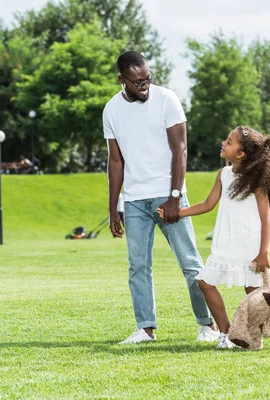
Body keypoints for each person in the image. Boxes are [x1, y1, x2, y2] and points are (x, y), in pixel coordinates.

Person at [104, 50, 218, 344]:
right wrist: (114, 207)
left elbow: (180, 149)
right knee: (138, 266)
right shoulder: (111, 110)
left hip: (168, 196)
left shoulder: (167, 99)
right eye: (138, 82)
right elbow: (115, 162)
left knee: (191, 263)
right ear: (122, 80)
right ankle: (146, 328)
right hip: (134, 201)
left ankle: (208, 325)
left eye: (147, 79)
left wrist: (175, 196)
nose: (145, 86)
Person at [158, 126, 270, 348]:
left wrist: (264, 252)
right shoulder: (223, 174)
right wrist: (177, 213)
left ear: (241, 154)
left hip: (249, 246)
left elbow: (266, 219)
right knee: (205, 282)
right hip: (225, 243)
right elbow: (207, 204)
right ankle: (226, 333)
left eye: (229, 141)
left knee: (255, 295)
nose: (223, 142)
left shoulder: (256, 181)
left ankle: (252, 336)